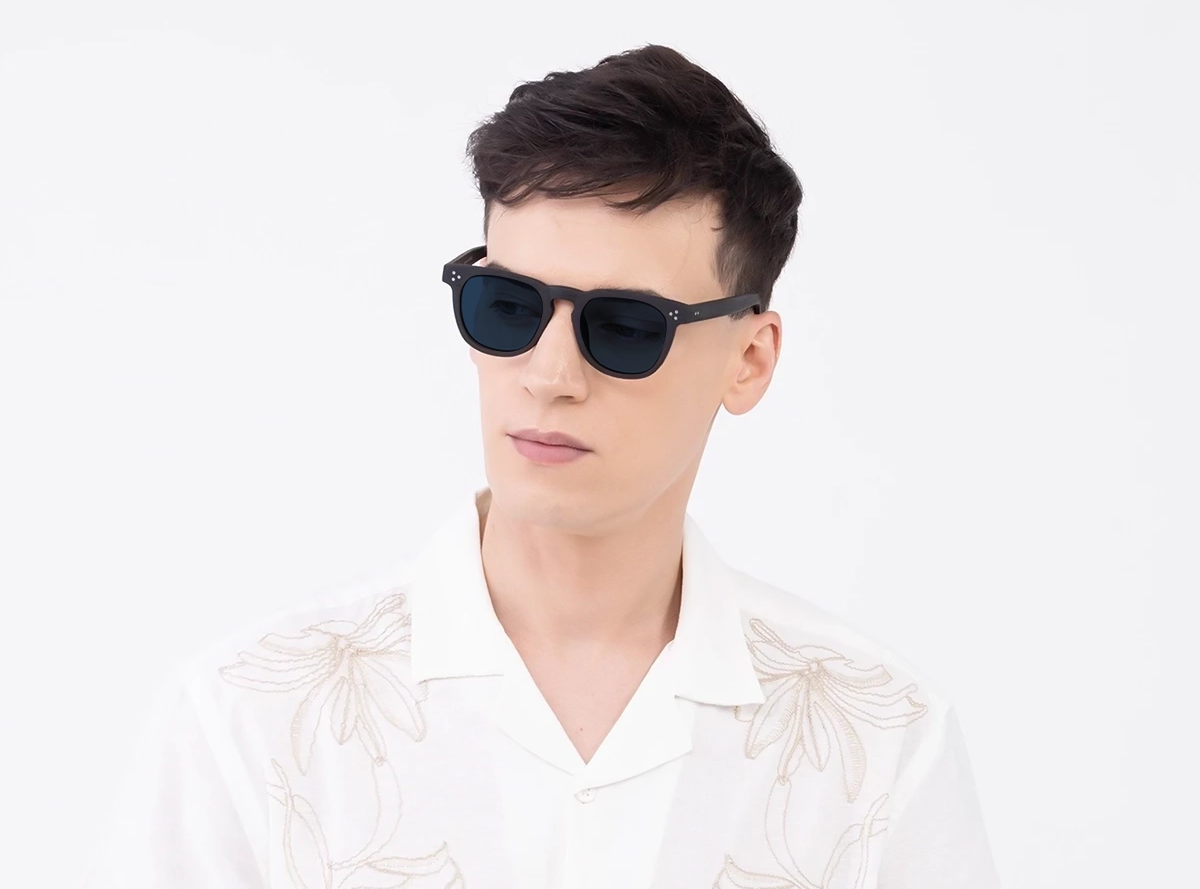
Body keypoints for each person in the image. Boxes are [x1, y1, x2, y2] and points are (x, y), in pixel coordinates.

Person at [85, 44, 1000, 889]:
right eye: (508, 306)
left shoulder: (879, 750)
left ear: (749, 360)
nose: (549, 375)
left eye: (626, 327)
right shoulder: (249, 729)